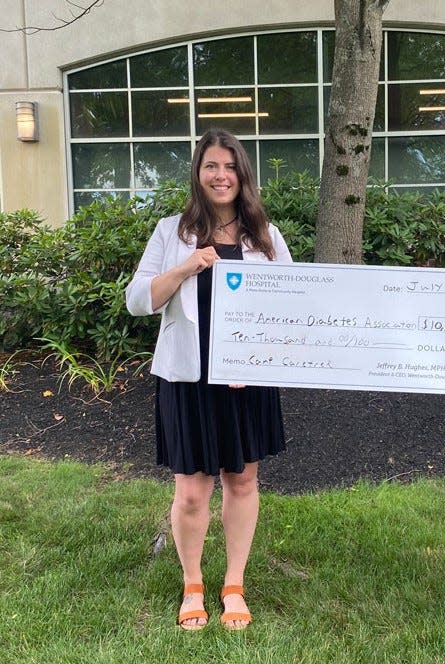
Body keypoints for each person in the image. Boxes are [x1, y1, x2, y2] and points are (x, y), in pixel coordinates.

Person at [126, 128, 292, 631]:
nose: (221, 176)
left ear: (243, 174)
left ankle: (234, 584)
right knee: (192, 491)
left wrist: (256, 360)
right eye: (211, 166)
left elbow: (289, 305)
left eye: (230, 166)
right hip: (188, 380)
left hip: (247, 379)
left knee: (242, 480)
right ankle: (193, 583)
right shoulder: (169, 231)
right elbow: (138, 301)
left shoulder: (263, 233)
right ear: (198, 174)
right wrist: (184, 268)